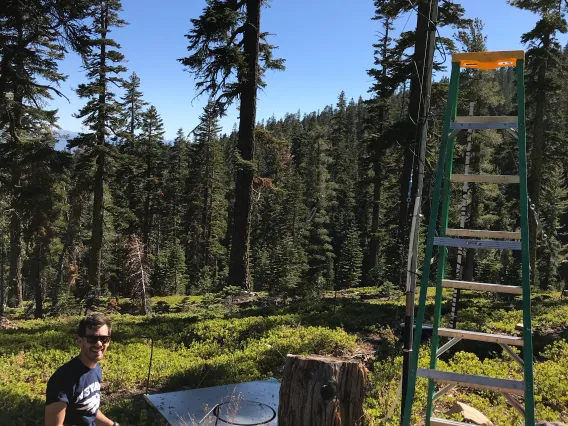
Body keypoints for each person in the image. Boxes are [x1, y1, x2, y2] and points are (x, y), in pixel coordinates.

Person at [45, 313, 119, 426]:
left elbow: (88, 410)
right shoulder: (63, 379)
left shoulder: (96, 369)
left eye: (104, 339)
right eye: (91, 339)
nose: (99, 344)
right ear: (79, 341)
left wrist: (112, 425)